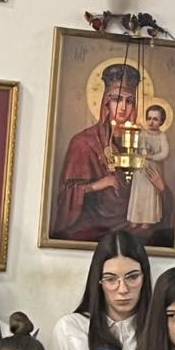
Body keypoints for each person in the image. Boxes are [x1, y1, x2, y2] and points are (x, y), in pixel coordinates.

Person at [53, 63, 139, 241]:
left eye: (129, 101)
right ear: (106, 102)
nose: (123, 107)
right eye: (117, 99)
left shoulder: (140, 143)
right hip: (91, 226)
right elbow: (67, 194)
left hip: (131, 224)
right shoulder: (83, 142)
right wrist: (99, 184)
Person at [124, 101, 172, 229]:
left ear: (161, 122)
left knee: (149, 193)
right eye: (149, 118)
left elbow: (165, 153)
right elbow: (135, 147)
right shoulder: (142, 133)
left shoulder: (162, 136)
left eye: (155, 119)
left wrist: (151, 157)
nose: (151, 122)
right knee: (139, 192)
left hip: (153, 170)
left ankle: (147, 220)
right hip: (140, 169)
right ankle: (135, 218)